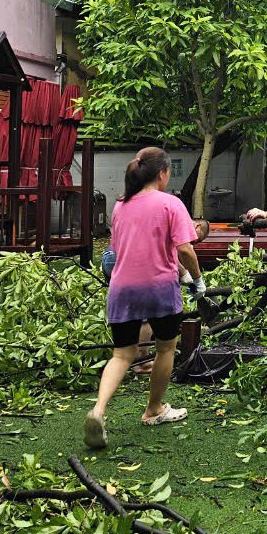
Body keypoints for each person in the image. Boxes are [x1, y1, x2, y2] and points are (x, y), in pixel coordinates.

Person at [85, 147, 204, 449]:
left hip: (122, 288)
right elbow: (185, 249)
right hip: (159, 288)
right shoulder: (171, 203)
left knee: (122, 354)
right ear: (163, 173)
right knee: (166, 348)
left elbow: (125, 250)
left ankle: (98, 410)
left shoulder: (121, 205)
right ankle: (154, 409)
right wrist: (197, 280)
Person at [101, 218, 210, 375]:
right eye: (197, 239)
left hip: (110, 256)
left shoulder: (155, 216)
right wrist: (187, 274)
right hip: (128, 258)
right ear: (197, 226)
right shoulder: (178, 221)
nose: (193, 242)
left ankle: (124, 356)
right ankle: (141, 361)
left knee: (127, 307)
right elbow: (176, 251)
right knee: (146, 311)